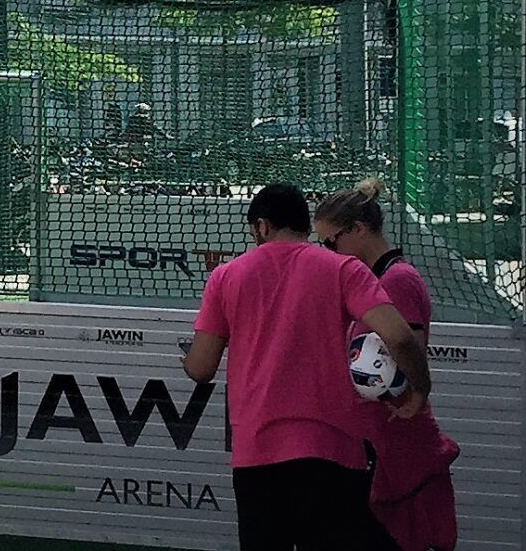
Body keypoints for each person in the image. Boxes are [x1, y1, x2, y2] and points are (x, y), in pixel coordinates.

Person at [185, 183, 432, 551]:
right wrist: (419, 387)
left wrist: (186, 361)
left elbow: (202, 368)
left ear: (262, 227)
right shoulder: (344, 268)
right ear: (304, 225)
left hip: (258, 454)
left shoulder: (226, 276)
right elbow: (399, 336)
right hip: (332, 451)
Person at [315, 179, 460, 551]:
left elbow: (409, 347)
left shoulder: (397, 280)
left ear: (359, 230)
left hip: (399, 441)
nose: (328, 251)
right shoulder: (374, 280)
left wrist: (419, 390)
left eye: (331, 241)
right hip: (375, 439)